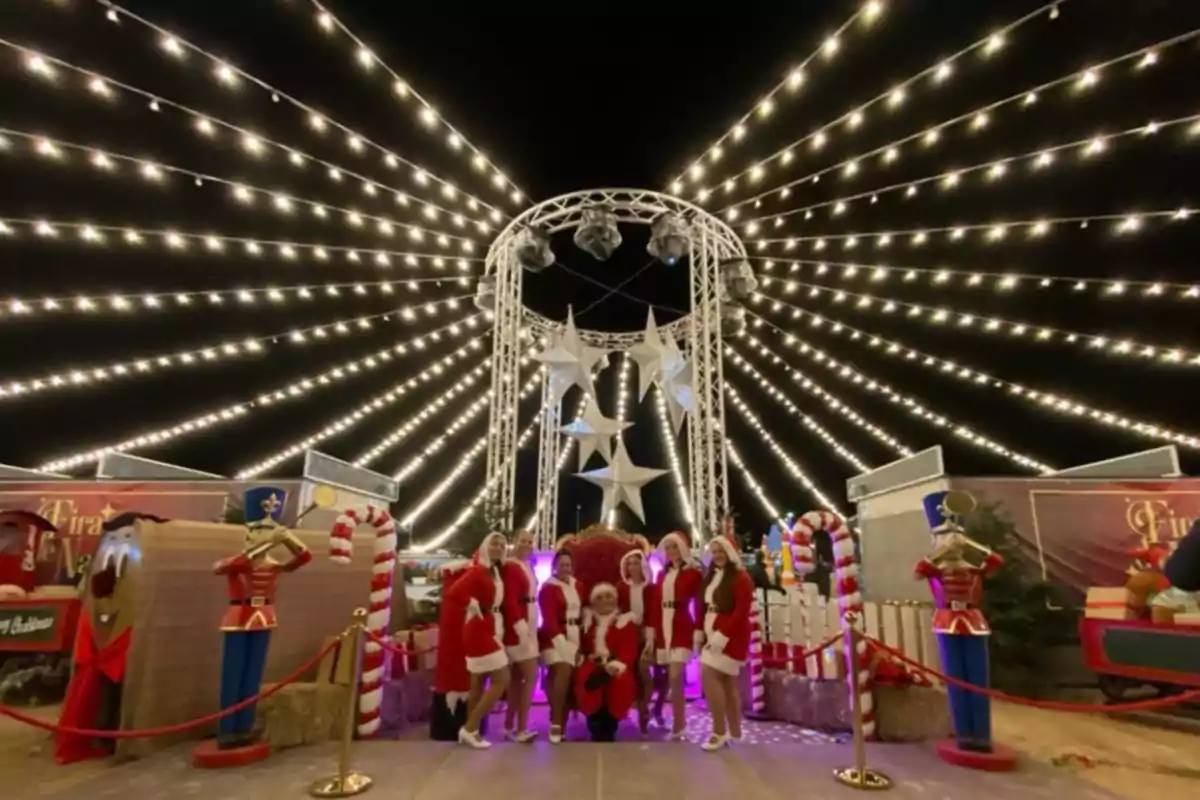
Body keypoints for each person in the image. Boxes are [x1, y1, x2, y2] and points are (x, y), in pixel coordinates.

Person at [446, 532, 511, 749]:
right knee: (502, 678)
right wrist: (470, 602)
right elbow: (454, 593)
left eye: (502, 544)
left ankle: (470, 729)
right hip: (478, 629)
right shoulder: (477, 570)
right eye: (494, 543)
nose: (499, 547)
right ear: (485, 545)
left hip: (486, 626)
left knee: (478, 683)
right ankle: (470, 728)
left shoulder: (493, 570)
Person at [696, 531, 754, 751]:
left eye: (721, 551)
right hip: (713, 631)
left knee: (708, 675)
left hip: (731, 635)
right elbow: (704, 605)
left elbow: (740, 612)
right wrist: (701, 631)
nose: (718, 555)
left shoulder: (741, 578)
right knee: (728, 682)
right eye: (714, 551)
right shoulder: (712, 576)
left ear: (730, 552)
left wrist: (723, 635)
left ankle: (719, 731)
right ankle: (736, 731)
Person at [574, 583, 639, 741]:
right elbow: (582, 647)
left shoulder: (625, 622)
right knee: (586, 677)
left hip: (617, 662)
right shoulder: (587, 623)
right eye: (600, 597)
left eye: (609, 596)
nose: (605, 601)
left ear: (616, 600)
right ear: (593, 602)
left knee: (619, 681)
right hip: (593, 662)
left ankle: (610, 723)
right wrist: (586, 656)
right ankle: (594, 720)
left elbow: (629, 650)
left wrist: (615, 666)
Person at [655, 531, 703, 739]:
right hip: (663, 625)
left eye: (674, 547)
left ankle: (679, 723)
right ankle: (667, 715)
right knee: (667, 677)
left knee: (675, 676)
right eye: (668, 548)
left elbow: (700, 603)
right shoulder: (662, 574)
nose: (671, 552)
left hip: (681, 624)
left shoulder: (693, 574)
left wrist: (699, 630)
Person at [538, 548, 584, 744]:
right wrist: (562, 644)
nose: (565, 568)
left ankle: (559, 714)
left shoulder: (578, 586)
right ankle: (557, 722)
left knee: (566, 677)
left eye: (568, 565)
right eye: (562, 564)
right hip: (552, 637)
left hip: (575, 635)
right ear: (554, 566)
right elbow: (549, 621)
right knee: (562, 670)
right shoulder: (548, 588)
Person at [501, 530, 539, 743]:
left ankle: (508, 726)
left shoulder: (526, 566)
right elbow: (510, 600)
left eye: (529, 541)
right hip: (519, 628)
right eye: (522, 541)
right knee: (531, 676)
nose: (526, 544)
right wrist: (519, 626)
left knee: (517, 679)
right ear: (514, 543)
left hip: (528, 624)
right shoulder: (512, 567)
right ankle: (522, 728)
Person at [618, 548, 660, 733]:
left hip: (648, 635)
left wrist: (649, 638)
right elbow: (617, 612)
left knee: (645, 671)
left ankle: (644, 711)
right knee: (631, 671)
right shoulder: (621, 587)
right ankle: (632, 708)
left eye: (636, 563)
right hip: (628, 636)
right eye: (630, 563)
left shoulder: (651, 588)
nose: (633, 567)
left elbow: (654, 614)